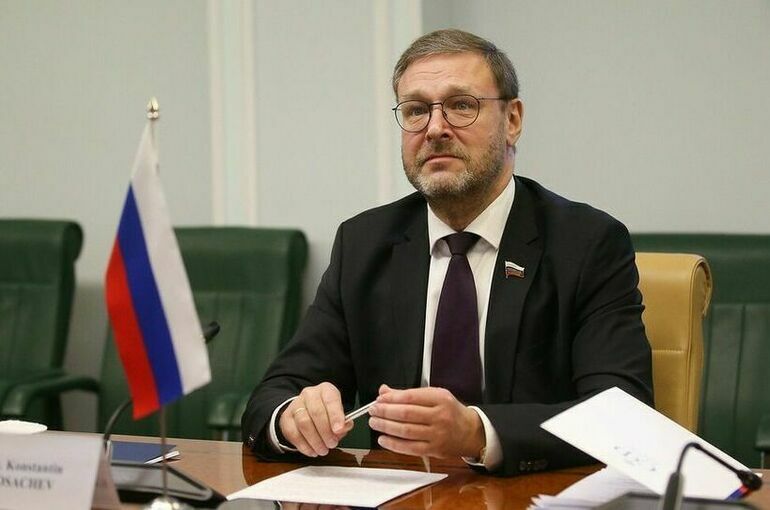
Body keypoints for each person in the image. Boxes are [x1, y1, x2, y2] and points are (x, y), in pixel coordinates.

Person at [241, 28, 653, 476]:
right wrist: (293, 418)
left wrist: (479, 433)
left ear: (512, 120)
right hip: (396, 495)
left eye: (461, 105)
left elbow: (621, 412)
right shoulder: (365, 243)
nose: (435, 129)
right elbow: (273, 397)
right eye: (416, 110)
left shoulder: (586, 242)